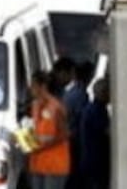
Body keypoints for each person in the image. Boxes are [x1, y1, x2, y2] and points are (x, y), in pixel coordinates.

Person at [27, 70, 71, 189]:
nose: (30, 88)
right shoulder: (34, 105)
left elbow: (65, 133)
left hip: (55, 165)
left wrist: (43, 146)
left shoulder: (56, 106)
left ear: (43, 86)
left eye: (33, 85)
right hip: (37, 164)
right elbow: (37, 129)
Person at [62, 61, 93, 189]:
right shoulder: (80, 95)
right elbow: (81, 119)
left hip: (70, 138)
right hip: (74, 140)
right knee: (76, 174)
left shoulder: (70, 93)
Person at [78, 78, 111, 189]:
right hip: (96, 160)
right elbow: (106, 131)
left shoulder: (91, 109)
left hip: (90, 159)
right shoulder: (97, 111)